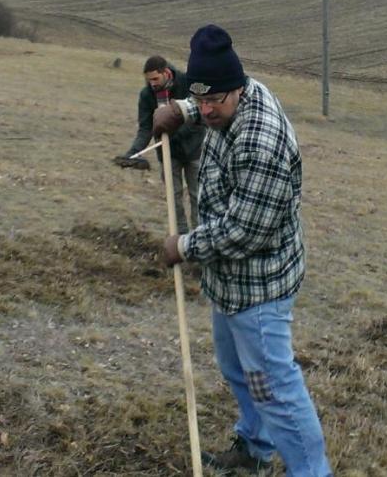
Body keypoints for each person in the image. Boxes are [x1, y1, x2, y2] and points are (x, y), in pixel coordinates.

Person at [154, 25, 332, 476]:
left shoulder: (261, 140)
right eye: (202, 98)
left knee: (274, 387)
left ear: (238, 89)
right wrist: (184, 110)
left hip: (260, 287)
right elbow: (208, 100)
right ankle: (254, 449)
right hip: (228, 282)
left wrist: (184, 246)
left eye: (216, 101)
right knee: (239, 373)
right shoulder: (230, 96)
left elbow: (243, 231)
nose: (209, 109)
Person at [115, 55, 204, 233]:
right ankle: (181, 237)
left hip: (195, 150)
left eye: (155, 79)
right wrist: (134, 152)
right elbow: (146, 128)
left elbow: (200, 116)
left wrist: (175, 134)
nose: (153, 84)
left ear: (166, 72)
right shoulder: (147, 95)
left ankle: (200, 236)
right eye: (149, 80)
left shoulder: (187, 82)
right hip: (168, 153)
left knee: (198, 197)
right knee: (174, 197)